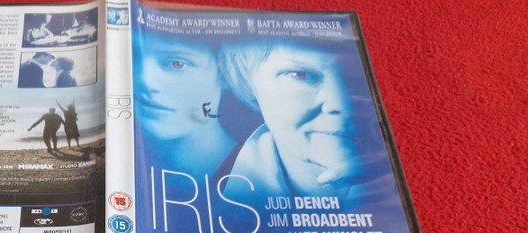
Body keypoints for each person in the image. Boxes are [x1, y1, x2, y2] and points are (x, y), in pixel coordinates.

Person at [220, 38, 380, 198]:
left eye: (358, 75)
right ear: (247, 83)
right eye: (300, 75)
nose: (342, 104)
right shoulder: (212, 188)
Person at [133, 33, 238, 178]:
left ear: (225, 74)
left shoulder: (262, 173)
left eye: (177, 64)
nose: (146, 81)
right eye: (133, 58)